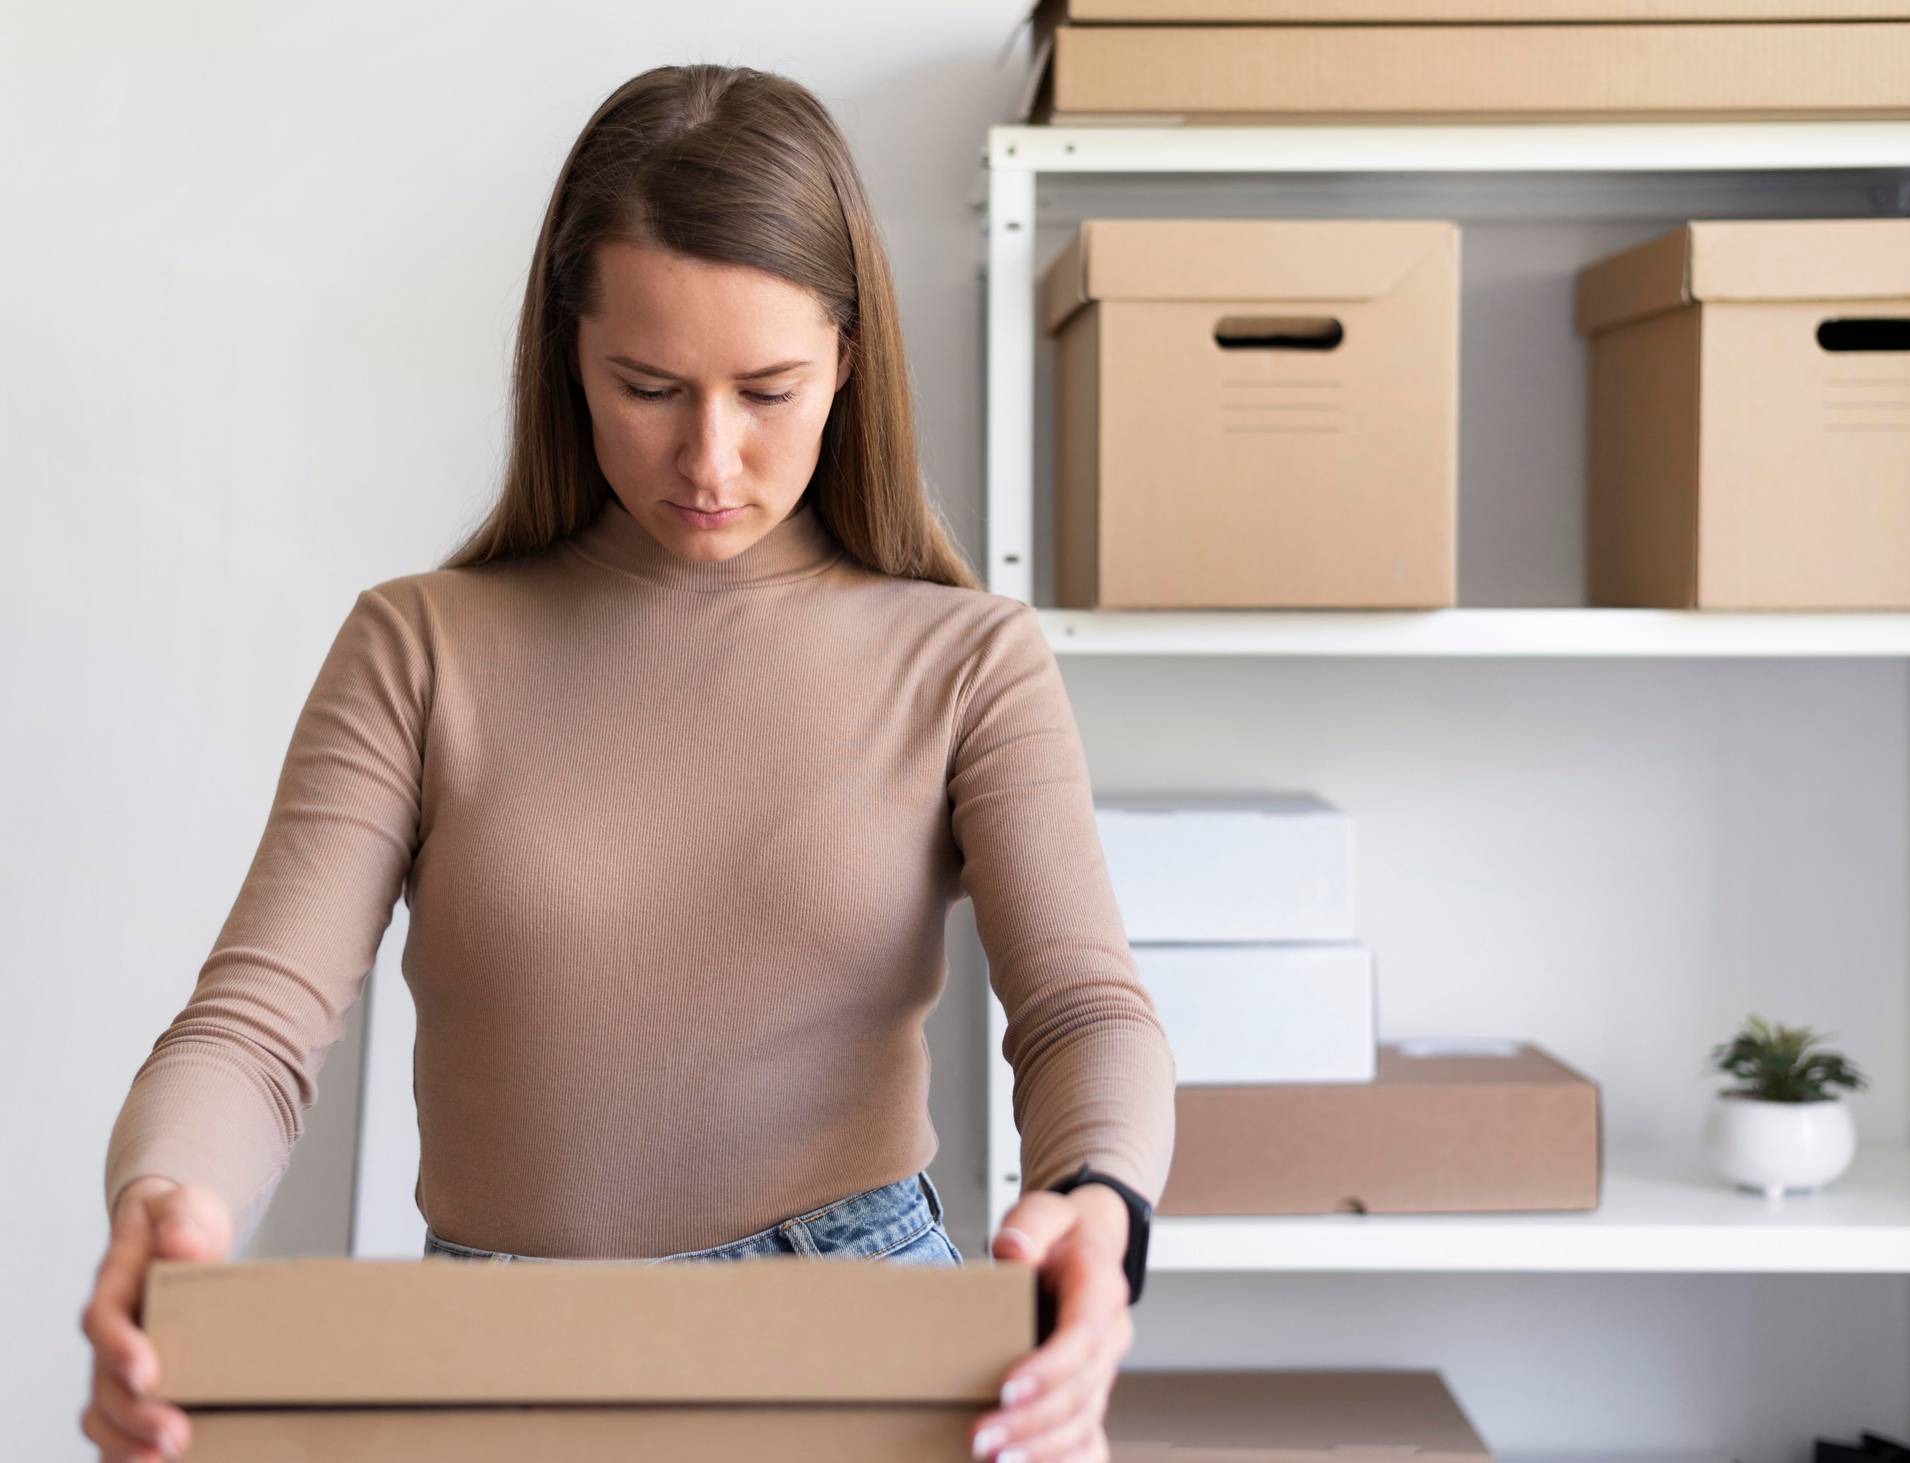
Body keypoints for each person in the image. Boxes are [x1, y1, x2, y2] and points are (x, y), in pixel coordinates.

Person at [78, 62, 1175, 1463]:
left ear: (847, 355)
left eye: (768, 389)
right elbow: (255, 1029)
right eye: (647, 386)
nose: (710, 458)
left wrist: (1102, 1204)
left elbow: (1086, 1013)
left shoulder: (964, 662)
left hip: (870, 1344)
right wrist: (166, 1204)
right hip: (496, 1365)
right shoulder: (422, 649)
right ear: (568, 356)